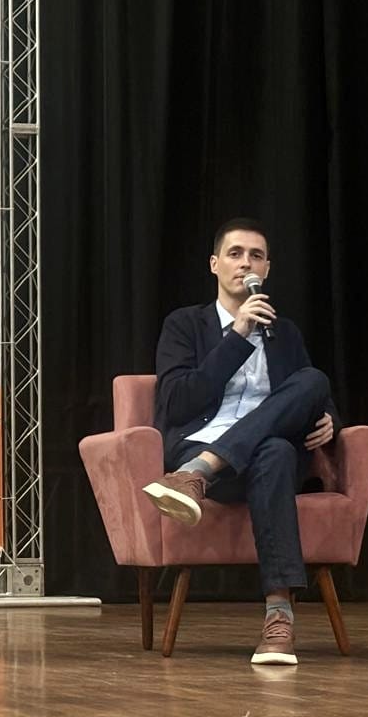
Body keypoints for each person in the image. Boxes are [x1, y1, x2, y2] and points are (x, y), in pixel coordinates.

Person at [143, 217, 339, 666]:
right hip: (202, 444)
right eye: (235, 254)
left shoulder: (285, 332)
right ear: (215, 264)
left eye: (255, 256)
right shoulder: (183, 325)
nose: (245, 263)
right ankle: (280, 613)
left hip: (240, 465)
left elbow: (312, 394)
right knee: (275, 450)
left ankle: (198, 474)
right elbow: (177, 403)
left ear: (266, 269)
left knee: (308, 389)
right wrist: (237, 337)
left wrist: (330, 419)